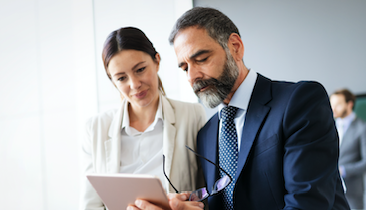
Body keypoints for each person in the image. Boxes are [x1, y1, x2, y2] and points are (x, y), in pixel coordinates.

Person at [133, 6, 350, 210]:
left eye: (201, 59)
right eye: (185, 68)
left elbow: (306, 204)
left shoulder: (299, 101)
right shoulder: (206, 134)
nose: (192, 77)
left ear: (235, 47)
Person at [79, 27, 207, 210]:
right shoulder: (95, 129)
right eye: (121, 78)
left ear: (157, 61)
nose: (135, 84)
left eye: (140, 69)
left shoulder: (193, 116)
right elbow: (90, 206)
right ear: (112, 81)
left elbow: (208, 194)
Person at [330, 88, 366, 209]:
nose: (333, 109)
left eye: (338, 105)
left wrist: (343, 170)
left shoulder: (364, 128)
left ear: (349, 104)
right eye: (331, 105)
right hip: (329, 190)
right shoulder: (328, 126)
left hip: (352, 191)